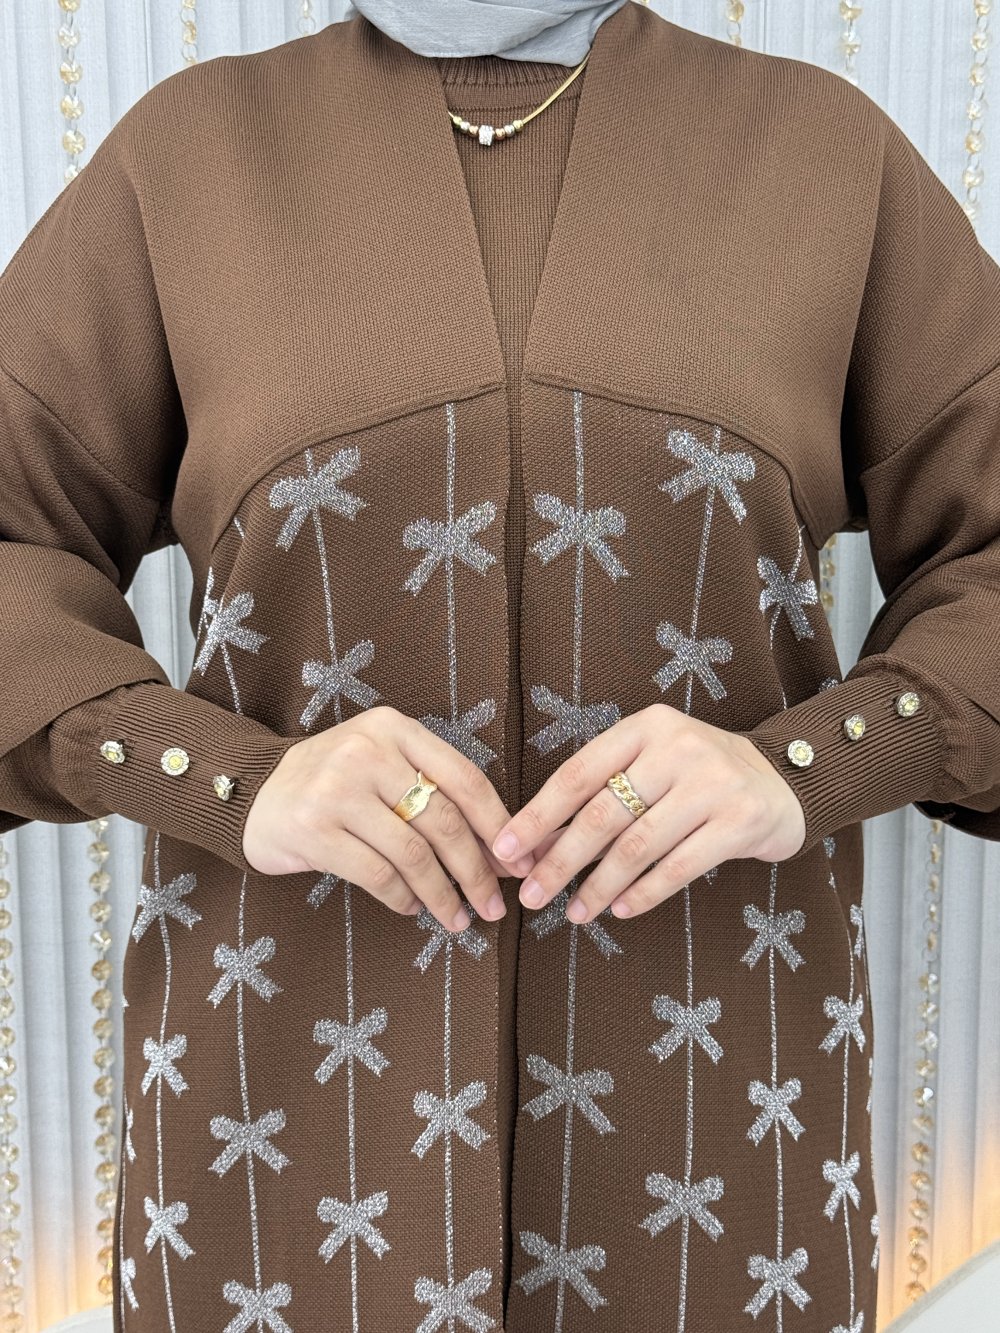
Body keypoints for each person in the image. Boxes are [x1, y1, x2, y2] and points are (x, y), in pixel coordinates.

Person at [3, 1, 1000, 1328]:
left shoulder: (821, 155)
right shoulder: (190, 159)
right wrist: (228, 776)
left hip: (716, 1114)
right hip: (280, 1134)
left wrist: (806, 765)